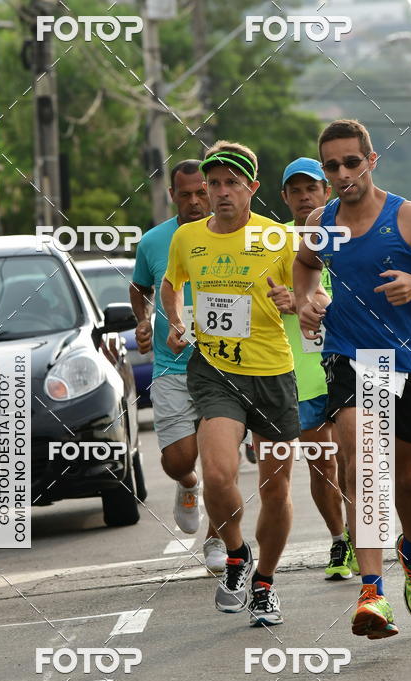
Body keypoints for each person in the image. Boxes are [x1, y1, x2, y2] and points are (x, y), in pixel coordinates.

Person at [294, 118, 411, 639]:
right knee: (362, 462)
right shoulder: (320, 220)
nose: (342, 173)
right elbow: (305, 266)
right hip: (352, 359)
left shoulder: (409, 217)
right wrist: (309, 302)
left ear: (372, 161)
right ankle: (372, 592)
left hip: (408, 360)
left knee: (407, 476)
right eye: (332, 165)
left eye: (352, 161)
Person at [162, 141, 300, 627]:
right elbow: (171, 283)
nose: (220, 193)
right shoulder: (188, 239)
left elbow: (310, 291)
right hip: (215, 371)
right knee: (218, 475)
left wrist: (294, 301)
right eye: (213, 184)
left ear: (252, 189)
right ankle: (237, 551)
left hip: (273, 375)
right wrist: (176, 322)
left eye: (231, 184)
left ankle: (264, 582)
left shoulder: (278, 239)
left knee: (276, 489)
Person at [130, 160, 227, 573]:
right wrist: (142, 319)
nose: (193, 201)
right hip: (172, 366)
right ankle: (188, 486)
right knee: (178, 461)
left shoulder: (233, 235)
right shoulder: (154, 241)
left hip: (224, 365)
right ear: (172, 195)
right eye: (184, 194)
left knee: (220, 464)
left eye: (201, 192)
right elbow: (139, 286)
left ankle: (218, 540)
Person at [280, 157, 358, 580]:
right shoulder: (274, 243)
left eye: (311, 187)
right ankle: (339, 540)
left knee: (352, 457)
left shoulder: (347, 236)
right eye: (295, 190)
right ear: (285, 197)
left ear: (326, 191)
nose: (304, 195)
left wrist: (314, 301)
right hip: (302, 372)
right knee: (321, 461)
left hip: (345, 362)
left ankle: (361, 534)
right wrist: (284, 303)